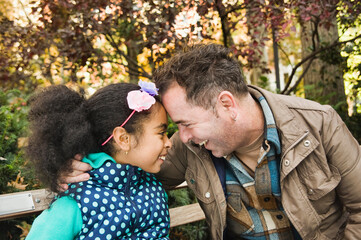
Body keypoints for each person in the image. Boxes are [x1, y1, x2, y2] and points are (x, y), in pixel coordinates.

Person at [66, 44, 361, 240]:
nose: (179, 137)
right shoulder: (189, 145)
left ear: (226, 105)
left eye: (186, 123)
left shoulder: (318, 124)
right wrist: (71, 168)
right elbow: (129, 163)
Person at [26, 81, 172, 240]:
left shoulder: (152, 187)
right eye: (161, 133)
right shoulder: (76, 202)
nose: (169, 142)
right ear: (123, 139)